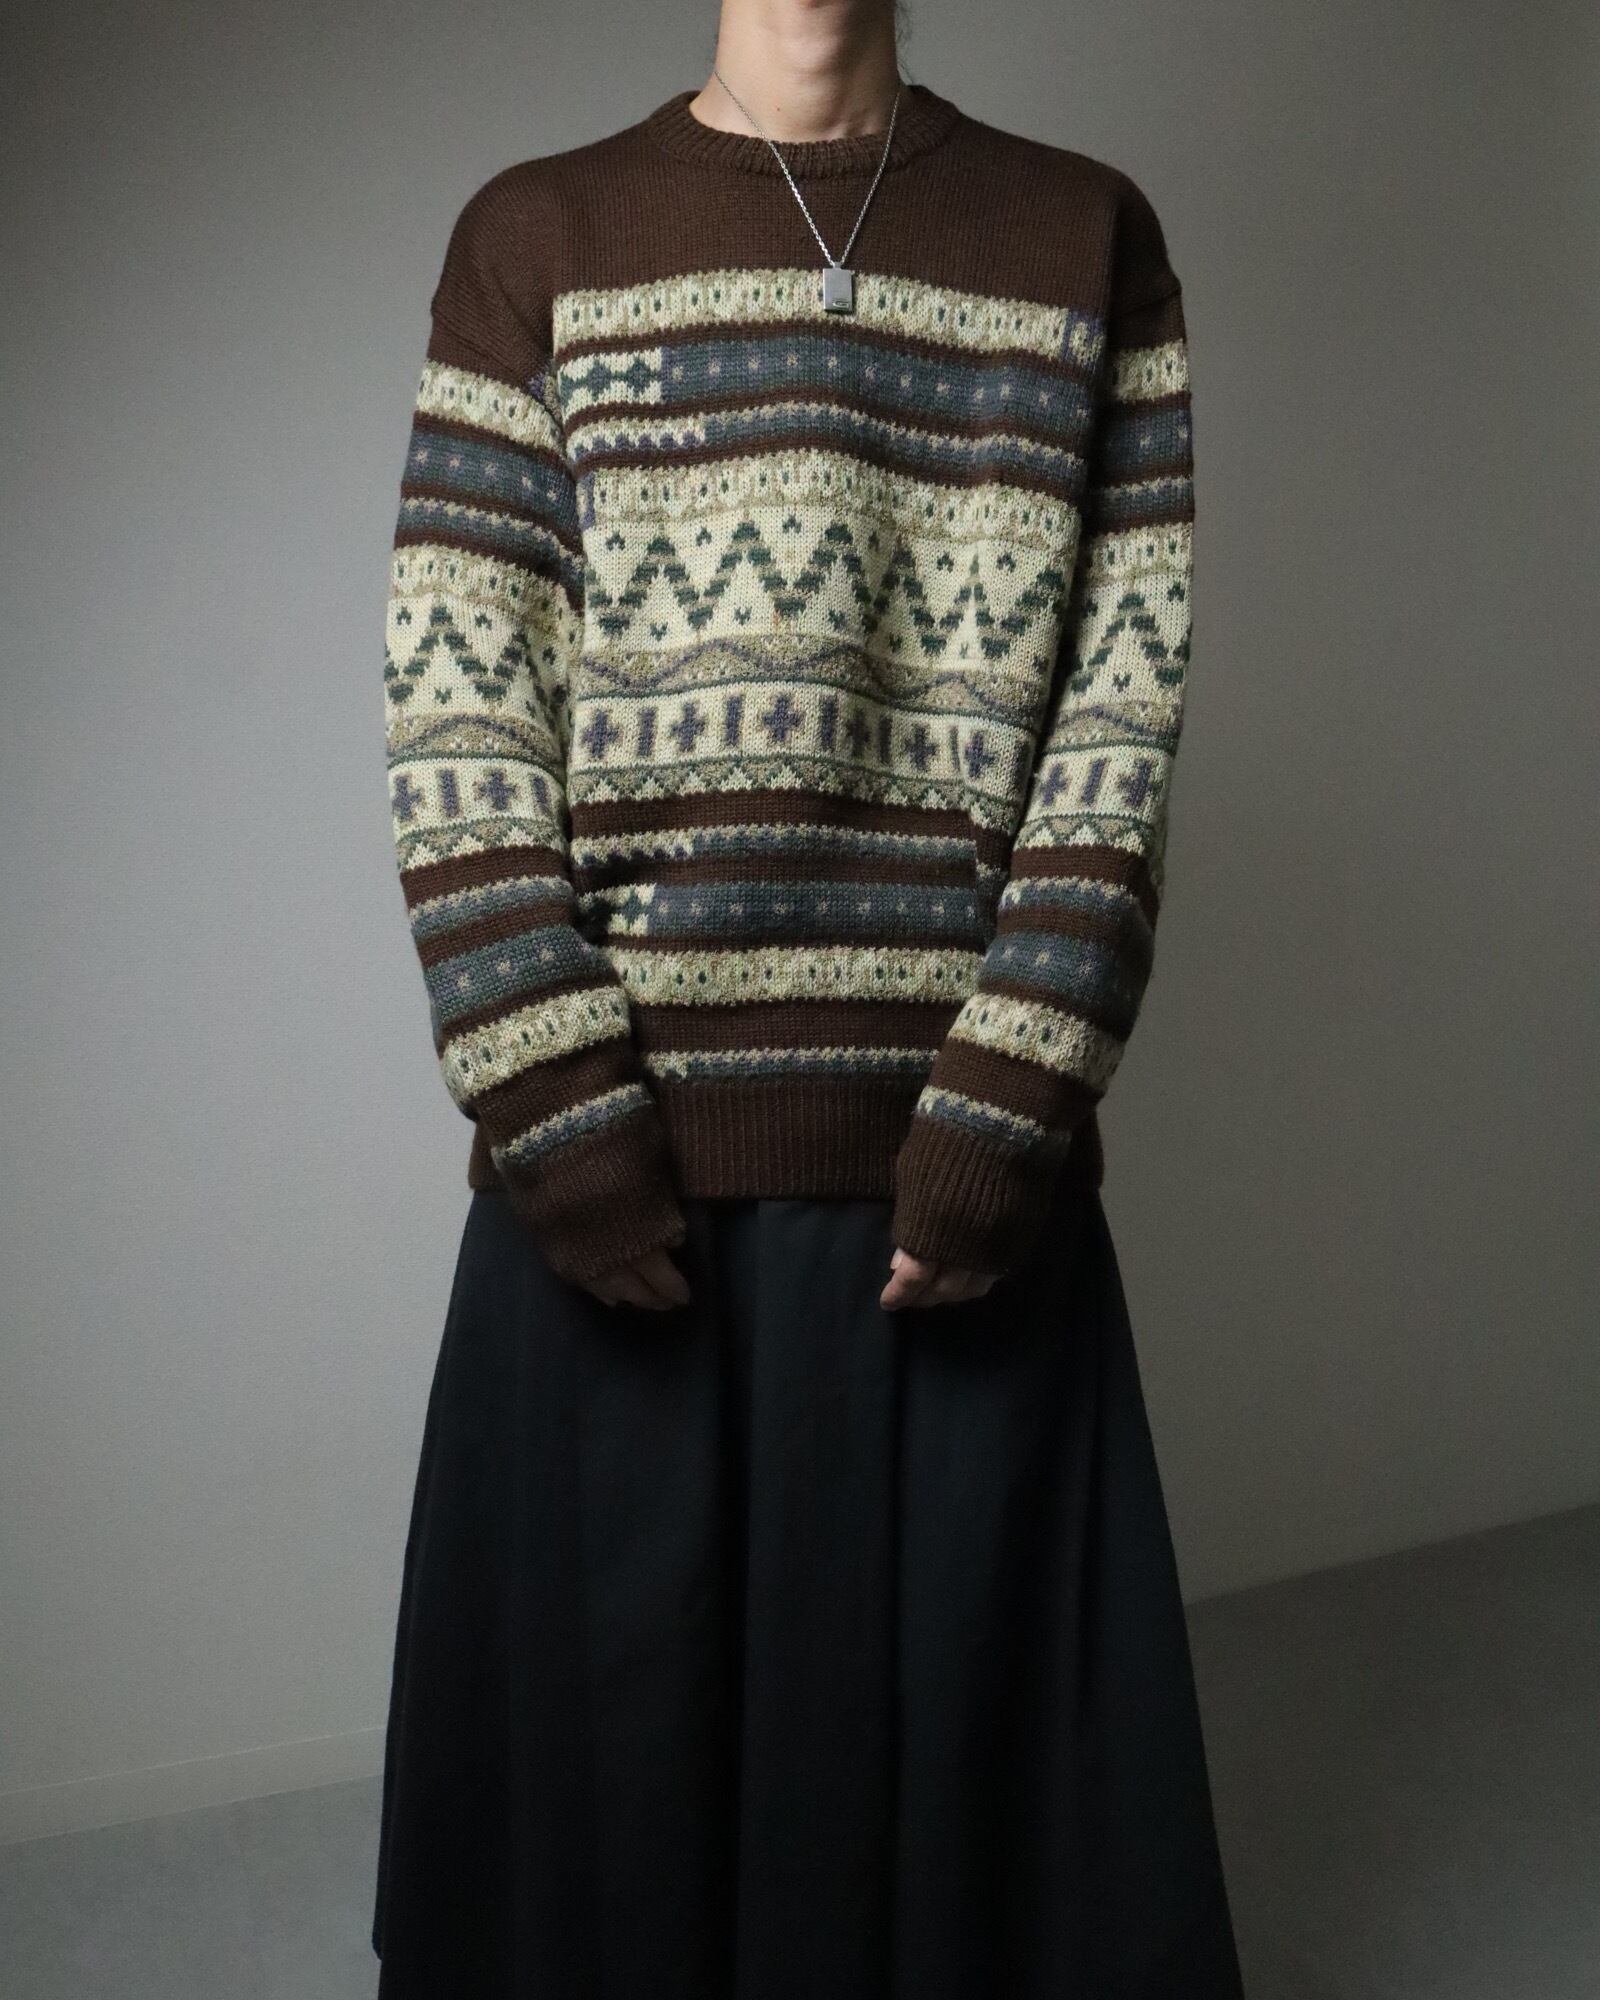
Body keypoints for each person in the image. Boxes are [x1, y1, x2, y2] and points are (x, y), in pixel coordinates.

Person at [372, 2, 1245, 1993]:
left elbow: (1118, 728)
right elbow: (457, 716)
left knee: (968, 1867)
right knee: (595, 1855)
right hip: (614, 1192)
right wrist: (557, 1114)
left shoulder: (1080, 237)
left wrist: (1006, 1109)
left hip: (958, 1184)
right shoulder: (539, 236)